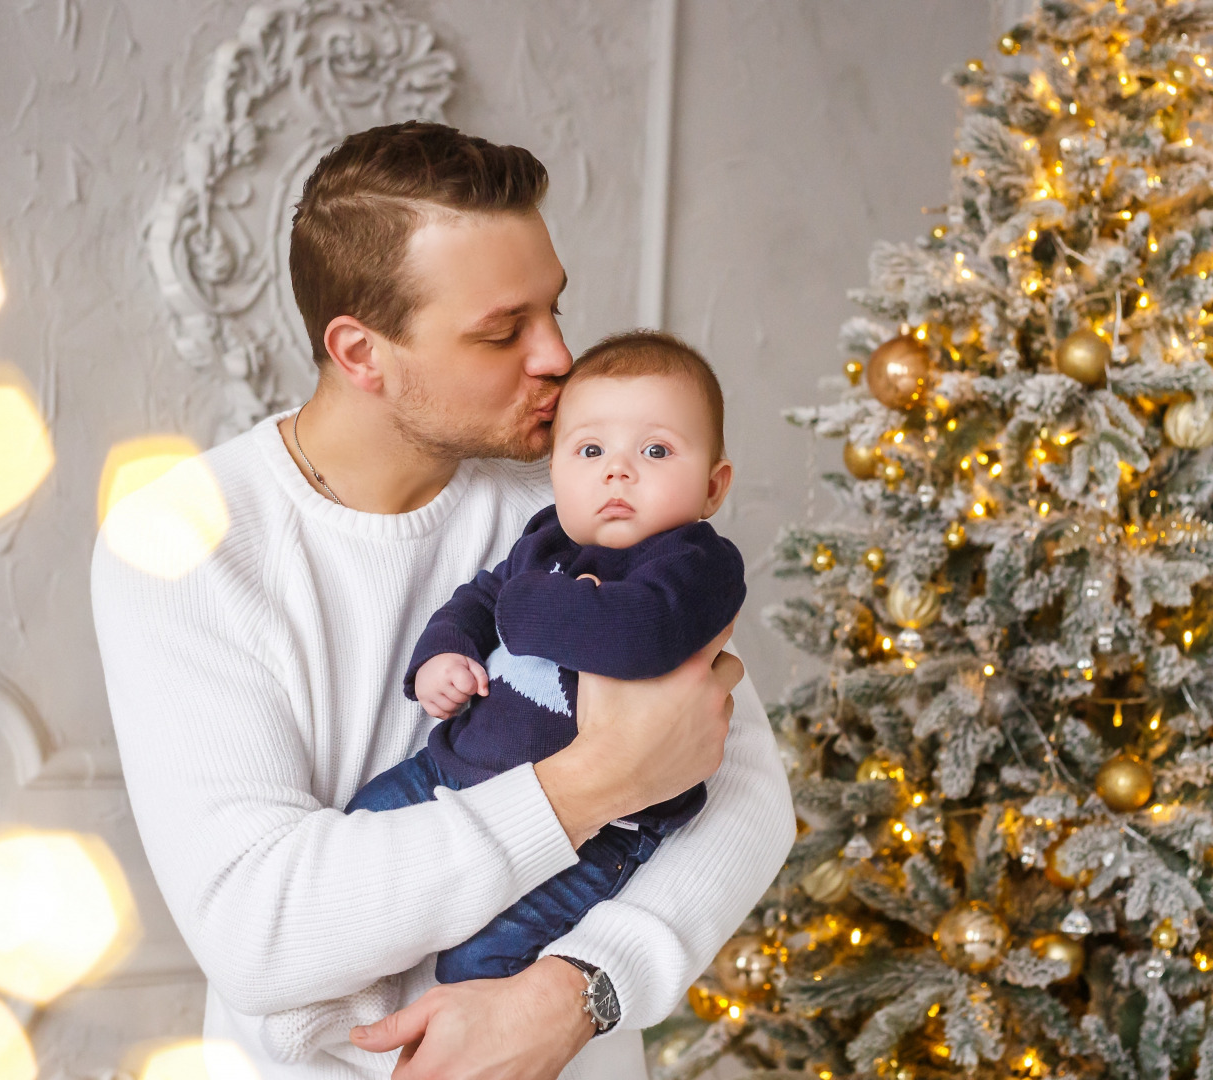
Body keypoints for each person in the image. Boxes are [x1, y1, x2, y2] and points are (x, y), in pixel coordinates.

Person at [90, 121, 795, 1080]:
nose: (558, 357)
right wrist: (595, 782)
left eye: (553, 309)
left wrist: (577, 992)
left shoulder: (588, 494)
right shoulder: (185, 540)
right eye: (504, 331)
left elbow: (747, 802)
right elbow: (263, 927)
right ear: (360, 350)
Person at [347, 330, 745, 987]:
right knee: (360, 844)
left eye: (656, 449)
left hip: (598, 836)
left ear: (712, 487)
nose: (619, 470)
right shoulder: (546, 540)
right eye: (590, 450)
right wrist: (443, 656)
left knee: (479, 964)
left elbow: (632, 636)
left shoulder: (695, 566)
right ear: (556, 470)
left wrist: (526, 611)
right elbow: (478, 602)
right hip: (454, 768)